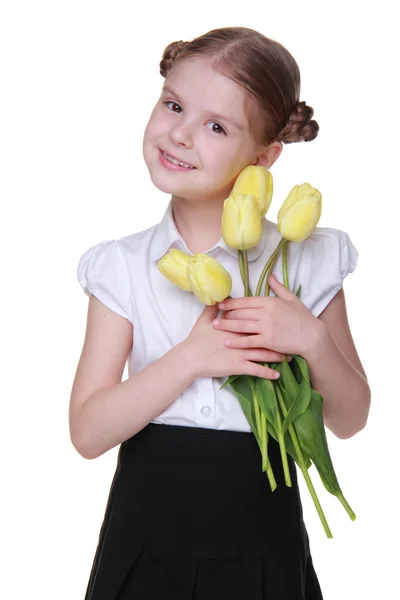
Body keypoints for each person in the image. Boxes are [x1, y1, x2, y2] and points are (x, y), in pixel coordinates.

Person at [70, 26, 371, 600]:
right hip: (146, 543)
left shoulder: (307, 260)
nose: (180, 134)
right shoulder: (123, 267)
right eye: (173, 105)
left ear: (263, 156)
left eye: (215, 126)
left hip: (264, 544)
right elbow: (87, 433)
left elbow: (351, 418)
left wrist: (311, 339)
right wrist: (189, 360)